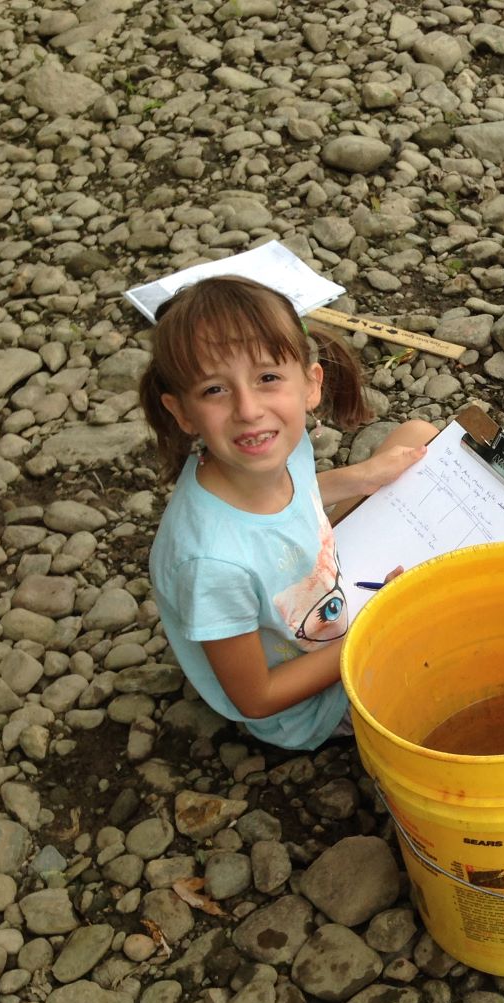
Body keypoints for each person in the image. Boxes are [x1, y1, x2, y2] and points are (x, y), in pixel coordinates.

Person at [144, 275, 438, 750]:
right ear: (182, 413)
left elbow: (292, 497)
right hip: (312, 701)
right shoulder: (211, 565)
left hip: (321, 585)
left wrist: (365, 475)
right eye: (215, 390)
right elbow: (257, 699)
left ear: (310, 384)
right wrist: (380, 623)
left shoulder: (268, 448)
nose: (249, 409)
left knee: (419, 436)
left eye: (267, 379)